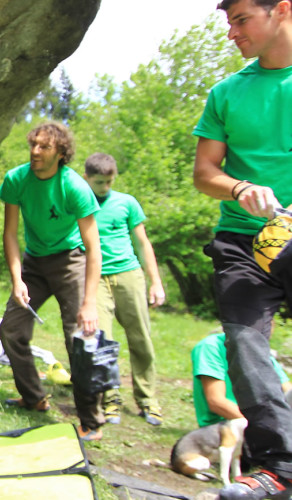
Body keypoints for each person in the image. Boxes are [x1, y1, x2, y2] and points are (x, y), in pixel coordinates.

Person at [191, 0, 292, 497]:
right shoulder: (227, 93)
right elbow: (205, 172)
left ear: (282, 11)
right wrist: (238, 190)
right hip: (240, 241)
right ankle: (278, 470)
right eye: (228, 22)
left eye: (241, 20)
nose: (232, 32)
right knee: (244, 344)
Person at [0, 121, 105, 441]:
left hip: (71, 260)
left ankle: (91, 420)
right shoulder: (16, 179)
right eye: (33, 145)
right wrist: (17, 280)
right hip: (33, 262)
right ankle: (34, 397)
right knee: (11, 329)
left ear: (60, 153)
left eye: (44, 147)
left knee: (79, 337)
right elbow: (10, 234)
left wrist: (89, 303)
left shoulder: (74, 186)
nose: (35, 152)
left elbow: (94, 247)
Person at [82, 153, 166, 427]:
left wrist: (155, 281)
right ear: (87, 179)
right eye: (99, 182)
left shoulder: (126, 203)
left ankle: (148, 400)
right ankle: (110, 400)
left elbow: (143, 243)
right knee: (102, 341)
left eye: (109, 182)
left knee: (141, 337)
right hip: (97, 278)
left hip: (129, 274)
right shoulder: (79, 203)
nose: (104, 187)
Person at [191, 332, 291, 429]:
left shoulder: (261, 351)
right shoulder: (212, 346)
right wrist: (265, 424)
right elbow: (216, 402)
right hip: (227, 424)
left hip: (264, 420)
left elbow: (287, 390)